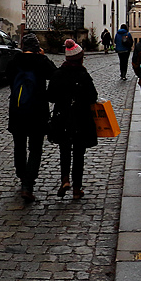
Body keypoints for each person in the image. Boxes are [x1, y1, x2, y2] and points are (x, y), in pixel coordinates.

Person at [5, 32, 56, 203]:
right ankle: (28, 183)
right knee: (35, 148)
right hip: (37, 111)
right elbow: (54, 75)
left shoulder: (14, 61)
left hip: (18, 110)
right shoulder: (40, 62)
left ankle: (21, 175)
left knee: (19, 145)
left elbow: (8, 79)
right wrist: (44, 57)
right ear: (36, 47)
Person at [47, 39, 98, 199]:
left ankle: (65, 179)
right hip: (81, 119)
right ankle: (77, 188)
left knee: (64, 151)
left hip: (63, 119)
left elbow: (51, 97)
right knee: (78, 154)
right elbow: (92, 97)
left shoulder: (58, 74)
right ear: (80, 58)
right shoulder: (83, 75)